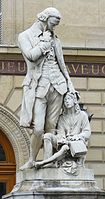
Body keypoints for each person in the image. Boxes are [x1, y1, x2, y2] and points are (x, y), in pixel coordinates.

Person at [18, 7, 75, 170]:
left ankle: (47, 163)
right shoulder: (25, 36)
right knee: (38, 128)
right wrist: (44, 43)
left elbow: (62, 65)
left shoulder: (55, 39)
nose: (54, 27)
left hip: (58, 86)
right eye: (53, 23)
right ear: (45, 19)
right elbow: (30, 56)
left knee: (51, 127)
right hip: (38, 86)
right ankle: (31, 159)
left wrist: (69, 85)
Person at [34, 92, 91, 169]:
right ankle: (47, 162)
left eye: (68, 99)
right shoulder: (62, 117)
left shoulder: (82, 115)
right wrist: (62, 139)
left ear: (74, 100)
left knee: (65, 148)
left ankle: (44, 163)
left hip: (76, 143)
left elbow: (87, 132)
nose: (66, 101)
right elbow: (61, 133)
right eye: (65, 100)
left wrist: (77, 136)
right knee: (47, 136)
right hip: (65, 142)